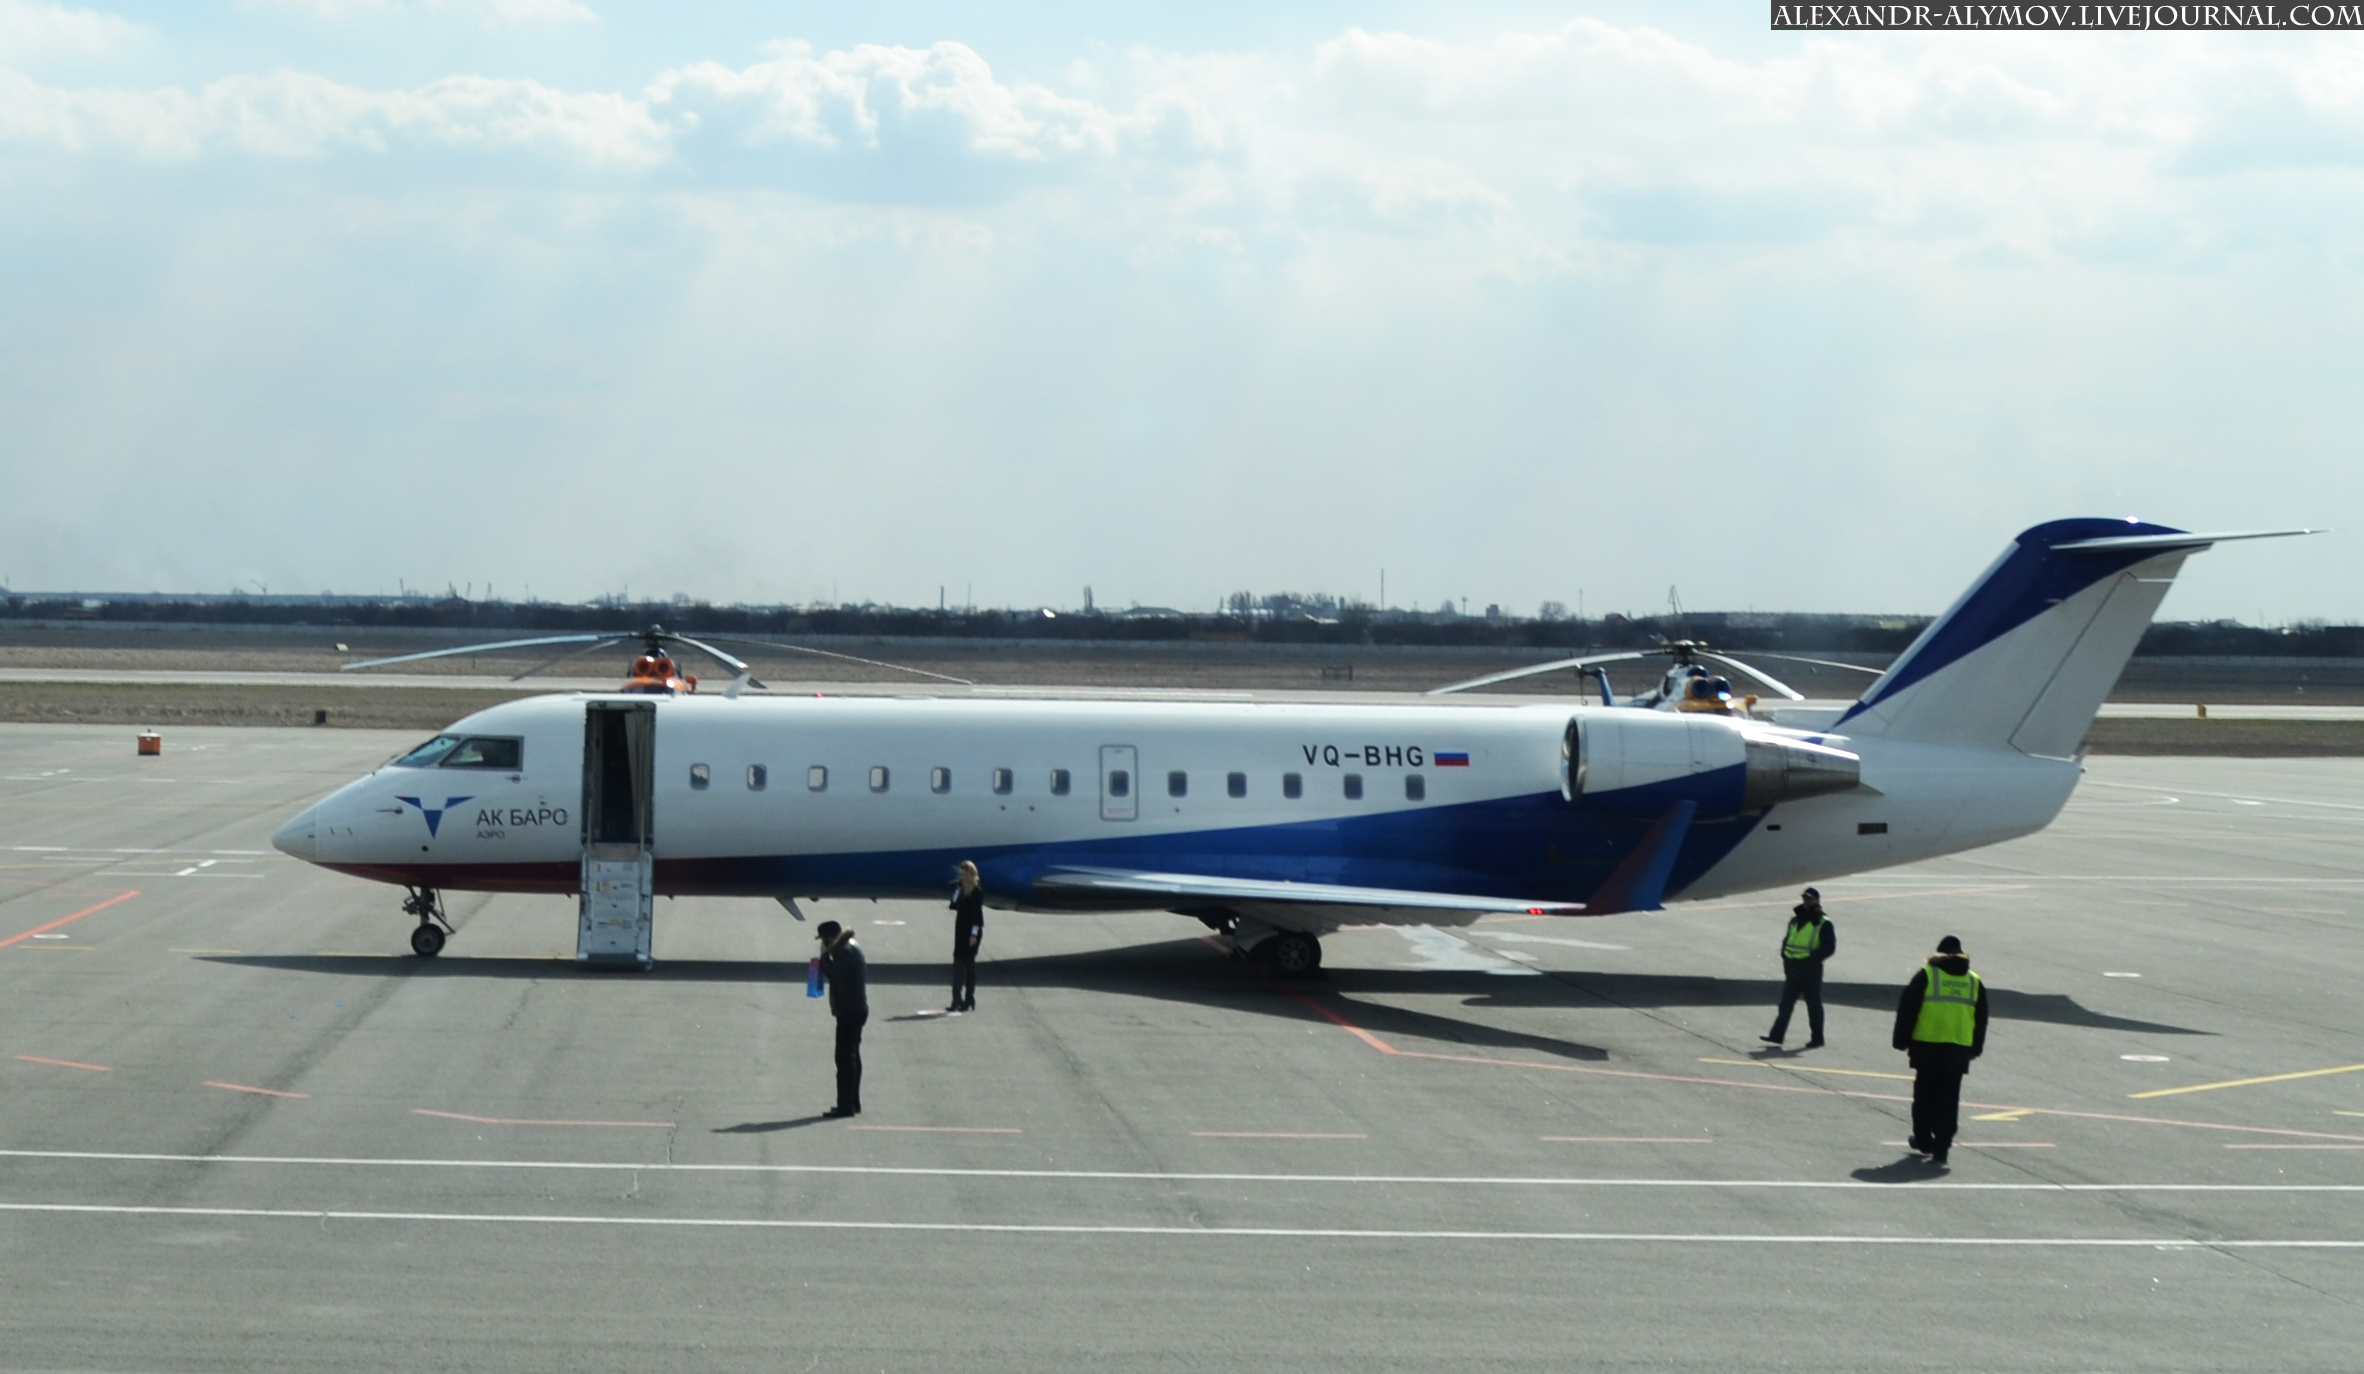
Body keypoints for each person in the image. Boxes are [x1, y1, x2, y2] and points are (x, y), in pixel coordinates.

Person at [1892, 934, 1988, 1166]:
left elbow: (1908, 1008)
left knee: (1924, 1095)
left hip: (1927, 1045)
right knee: (1948, 1099)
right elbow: (1981, 1017)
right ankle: (1942, 1147)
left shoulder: (1927, 975)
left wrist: (1901, 1039)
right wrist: (1976, 1047)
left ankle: (1924, 1139)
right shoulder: (1974, 980)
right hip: (1958, 1048)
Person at [1762, 887, 1835, 1048]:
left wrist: (1812, 960)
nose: (1807, 901)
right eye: (1805, 898)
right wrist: (1785, 957)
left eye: (1810, 899)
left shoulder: (1823, 923)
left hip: (1810, 970)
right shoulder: (1795, 920)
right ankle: (1776, 1036)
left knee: (1813, 1005)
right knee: (1785, 1004)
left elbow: (1829, 947)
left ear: (1817, 900)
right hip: (1793, 968)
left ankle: (1817, 1038)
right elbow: (1787, 940)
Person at [814, 920, 868, 1118]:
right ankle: (853, 1102)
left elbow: (835, 974)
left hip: (849, 1011)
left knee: (844, 1059)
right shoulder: (850, 946)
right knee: (852, 1056)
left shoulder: (845, 951)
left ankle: (845, 1105)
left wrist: (823, 957)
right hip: (855, 1008)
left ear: (830, 938)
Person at [948, 860, 984, 1013]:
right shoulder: (961, 890)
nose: (961, 877)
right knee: (957, 962)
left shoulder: (977, 892)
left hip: (971, 930)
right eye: (961, 874)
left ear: (971, 875)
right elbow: (953, 905)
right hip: (961, 929)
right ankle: (956, 999)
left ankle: (969, 997)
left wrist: (974, 934)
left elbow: (977, 915)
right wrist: (957, 891)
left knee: (968, 964)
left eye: (964, 874)